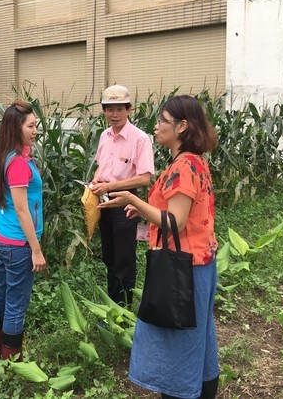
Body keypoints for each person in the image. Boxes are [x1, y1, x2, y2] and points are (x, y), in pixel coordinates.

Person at [98, 95, 220, 399]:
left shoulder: (183, 167)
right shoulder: (194, 162)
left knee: (176, 344)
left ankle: (182, 392)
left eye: (163, 120)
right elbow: (181, 215)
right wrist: (143, 210)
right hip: (197, 264)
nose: (156, 126)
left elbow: (175, 222)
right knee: (198, 341)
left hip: (182, 269)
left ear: (181, 126)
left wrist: (132, 199)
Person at [0, 100, 46, 362]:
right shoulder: (18, 163)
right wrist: (36, 250)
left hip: (2, 237)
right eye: (31, 126)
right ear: (16, 128)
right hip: (18, 244)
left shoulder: (4, 155)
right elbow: (22, 210)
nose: (35, 130)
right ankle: (12, 363)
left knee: (2, 293)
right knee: (16, 304)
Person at [90, 84, 155, 306]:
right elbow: (101, 166)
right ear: (104, 111)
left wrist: (111, 186)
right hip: (104, 200)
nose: (114, 114)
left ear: (129, 109)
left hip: (127, 202)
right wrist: (97, 179)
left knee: (124, 259)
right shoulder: (104, 135)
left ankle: (124, 310)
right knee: (109, 255)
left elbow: (145, 177)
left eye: (119, 109)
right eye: (109, 109)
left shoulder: (140, 138)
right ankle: (112, 303)